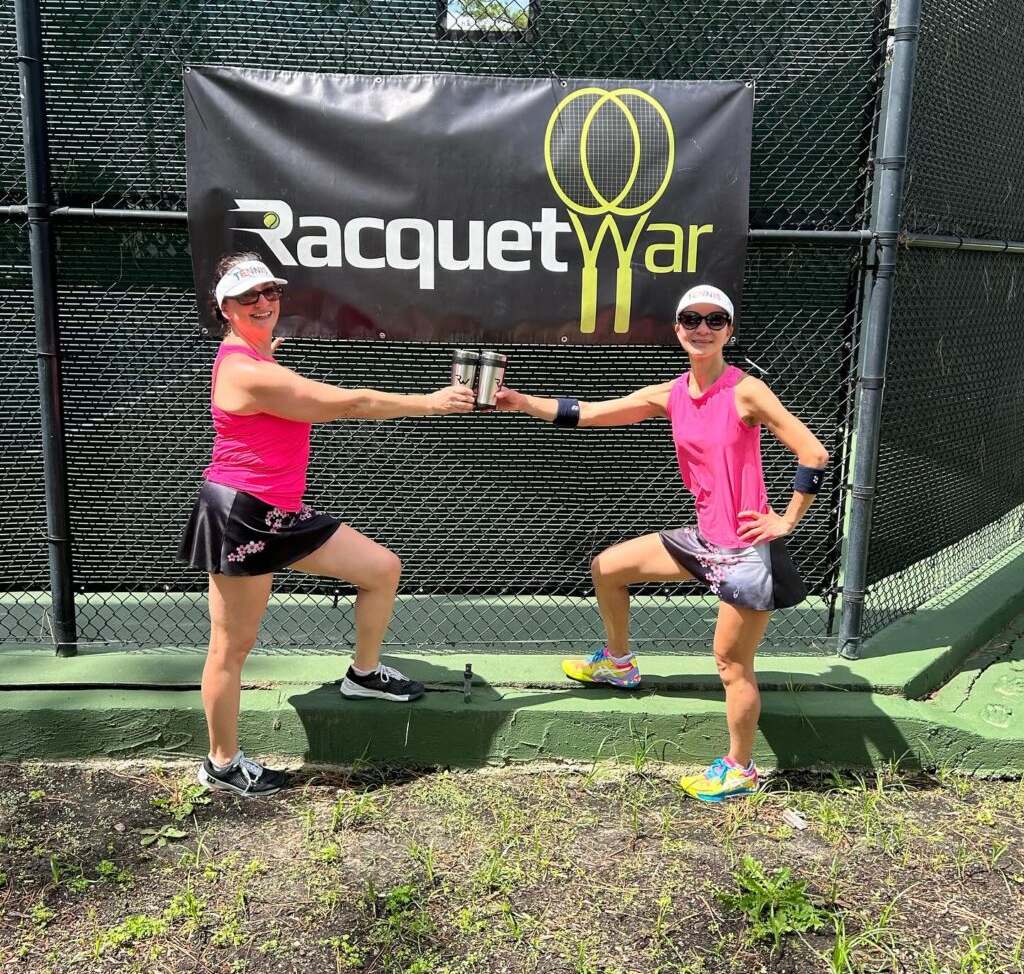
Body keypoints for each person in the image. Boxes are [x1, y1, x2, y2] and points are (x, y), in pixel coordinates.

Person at [495, 285, 828, 803]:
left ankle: (741, 768)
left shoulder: (747, 390)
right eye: (691, 319)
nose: (703, 328)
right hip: (701, 540)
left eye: (715, 320)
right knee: (608, 567)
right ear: (677, 330)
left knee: (731, 664)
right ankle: (619, 663)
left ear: (729, 332)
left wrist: (786, 520)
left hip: (742, 552)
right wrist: (519, 403)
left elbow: (813, 452)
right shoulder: (670, 394)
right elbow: (588, 413)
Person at [178, 252, 475, 797]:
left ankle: (363, 676)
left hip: (281, 510)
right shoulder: (243, 368)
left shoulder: (256, 355)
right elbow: (347, 403)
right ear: (226, 308)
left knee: (382, 569)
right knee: (231, 647)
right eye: (249, 298)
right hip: (241, 515)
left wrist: (265, 346)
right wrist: (430, 403)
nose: (264, 303)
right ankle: (221, 763)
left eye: (270, 293)